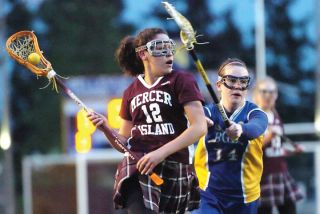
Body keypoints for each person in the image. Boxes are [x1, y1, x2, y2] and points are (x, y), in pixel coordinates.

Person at [88, 28, 207, 213]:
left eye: (170, 47)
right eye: (160, 48)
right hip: (139, 166)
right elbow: (124, 143)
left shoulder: (182, 80)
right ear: (143, 53)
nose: (168, 53)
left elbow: (199, 127)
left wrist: (160, 153)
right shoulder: (131, 92)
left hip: (175, 167)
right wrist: (107, 129)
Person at [192, 58, 268, 214]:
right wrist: (196, 123)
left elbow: (257, 127)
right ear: (219, 85)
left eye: (243, 81)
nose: (238, 86)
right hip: (209, 194)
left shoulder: (256, 114)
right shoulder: (207, 113)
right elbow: (189, 122)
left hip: (245, 197)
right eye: (232, 80)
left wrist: (240, 129)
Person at [253, 77, 303, 214]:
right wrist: (269, 136)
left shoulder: (275, 115)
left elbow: (276, 150)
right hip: (263, 176)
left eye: (272, 92)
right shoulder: (254, 117)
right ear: (256, 94)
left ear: (276, 95)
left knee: (290, 209)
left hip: (280, 173)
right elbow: (250, 149)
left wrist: (293, 151)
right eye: (264, 91)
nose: (268, 96)